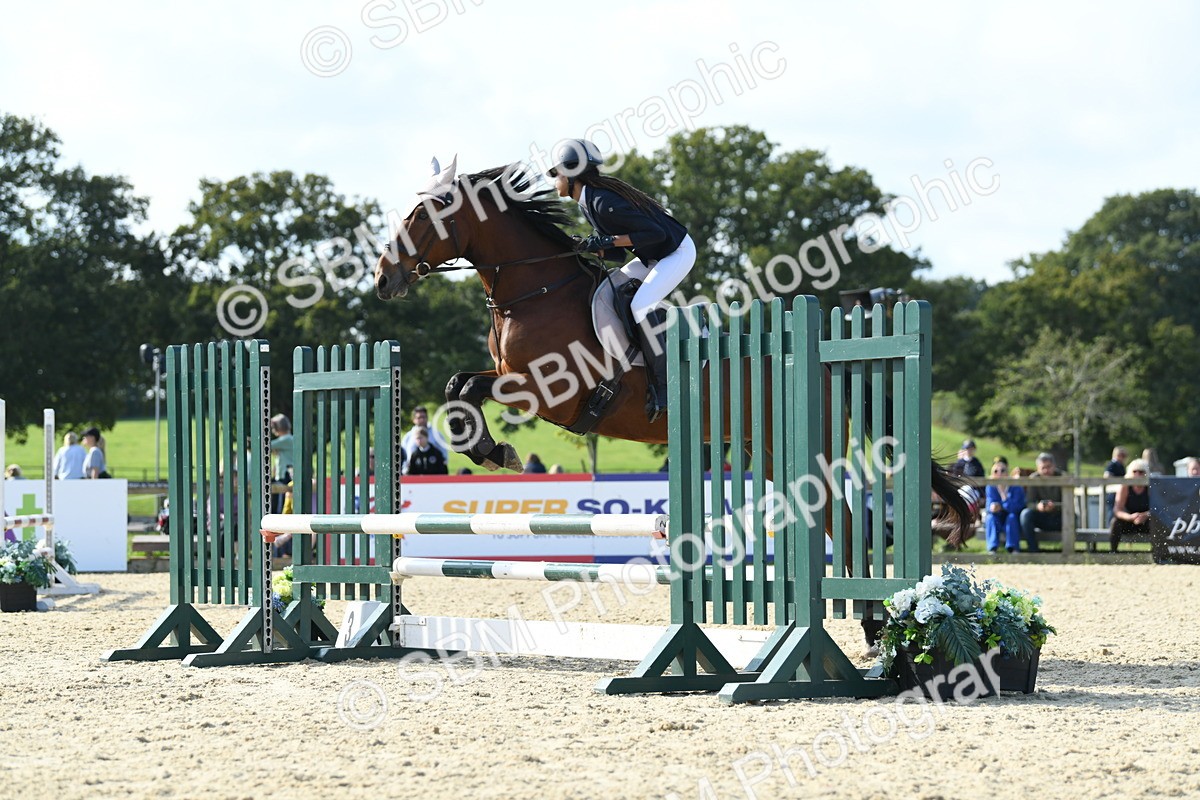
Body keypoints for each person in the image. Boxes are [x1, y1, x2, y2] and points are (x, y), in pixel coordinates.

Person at [548, 138, 696, 423]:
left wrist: (606, 240)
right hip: (652, 255)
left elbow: (656, 234)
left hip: (675, 252)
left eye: (556, 174)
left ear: (570, 173)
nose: (555, 181)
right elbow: (617, 251)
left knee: (641, 305)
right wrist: (589, 247)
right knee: (611, 288)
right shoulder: (589, 201)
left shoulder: (603, 202)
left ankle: (664, 387)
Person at [1019, 452, 1061, 552]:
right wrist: (1038, 507)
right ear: (1038, 468)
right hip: (1042, 517)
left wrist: (1055, 506)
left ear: (1054, 466)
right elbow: (1029, 503)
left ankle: (1068, 551)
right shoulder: (1033, 479)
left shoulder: (1062, 477)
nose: (1046, 470)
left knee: (1072, 516)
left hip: (1058, 517)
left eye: (1049, 467)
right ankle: (1033, 551)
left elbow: (1068, 504)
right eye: (1043, 467)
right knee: (1025, 514)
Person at [1110, 458, 1151, 552]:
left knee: (1156, 522)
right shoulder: (1125, 487)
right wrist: (1130, 517)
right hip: (1128, 521)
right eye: (1134, 471)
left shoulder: (1150, 488)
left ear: (1146, 473)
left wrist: (1145, 515)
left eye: (1141, 472)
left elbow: (1158, 509)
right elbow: (1117, 510)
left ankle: (1158, 554)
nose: (1137, 474)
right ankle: (1113, 552)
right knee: (1115, 523)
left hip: (1146, 521)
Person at [984, 457, 1024, 553]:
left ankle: (1013, 548)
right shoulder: (991, 486)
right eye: (996, 471)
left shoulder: (1016, 486)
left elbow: (1016, 508)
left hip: (1012, 517)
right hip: (997, 517)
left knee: (1012, 517)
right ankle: (992, 548)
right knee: (990, 518)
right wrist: (992, 507)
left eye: (1003, 470)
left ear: (1007, 472)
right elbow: (989, 505)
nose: (999, 474)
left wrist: (1004, 498)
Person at [269, 414, 294, 517]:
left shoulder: (286, 439)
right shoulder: (291, 439)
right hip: (288, 474)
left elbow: (267, 445)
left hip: (284, 476)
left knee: (280, 505)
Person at [1103, 446, 1128, 523]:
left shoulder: (1120, 466)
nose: (1123, 458)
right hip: (1112, 492)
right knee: (1112, 511)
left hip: (1119, 492)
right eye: (1121, 455)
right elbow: (1107, 476)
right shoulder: (1112, 464)